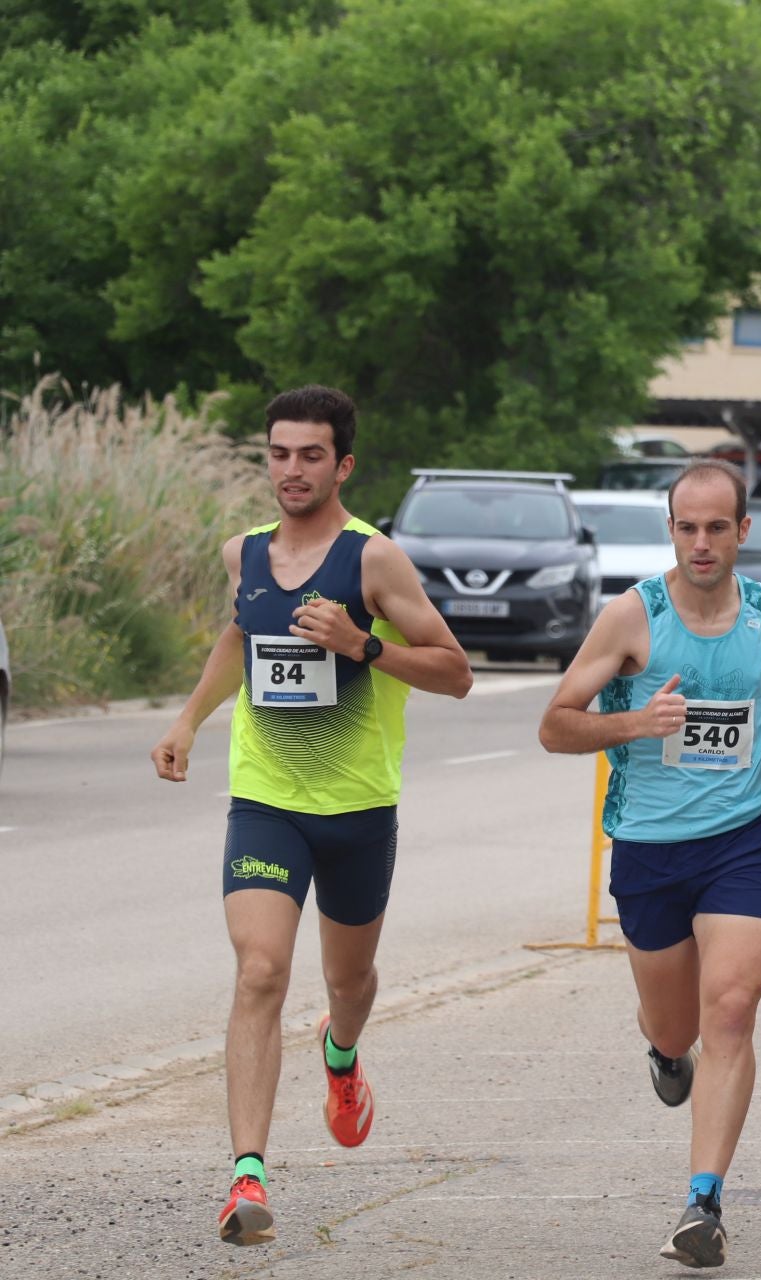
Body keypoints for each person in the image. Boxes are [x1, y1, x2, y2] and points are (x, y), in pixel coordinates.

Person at [149, 386, 474, 1245]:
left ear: (343, 465)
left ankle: (340, 1055)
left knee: (348, 984)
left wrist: (362, 644)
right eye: (280, 454)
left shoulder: (375, 562)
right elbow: (239, 636)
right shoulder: (243, 553)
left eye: (311, 455)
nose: (293, 470)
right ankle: (246, 1178)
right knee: (260, 970)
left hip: (359, 806)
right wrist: (188, 719)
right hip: (267, 801)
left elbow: (453, 670)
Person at [537, 459, 761, 1269]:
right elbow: (555, 725)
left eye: (716, 528)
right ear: (671, 529)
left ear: (743, 532)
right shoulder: (632, 619)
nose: (701, 543)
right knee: (678, 1025)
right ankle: (665, 1054)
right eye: (686, 527)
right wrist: (635, 725)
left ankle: (704, 1202)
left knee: (730, 1008)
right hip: (651, 851)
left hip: (746, 840)